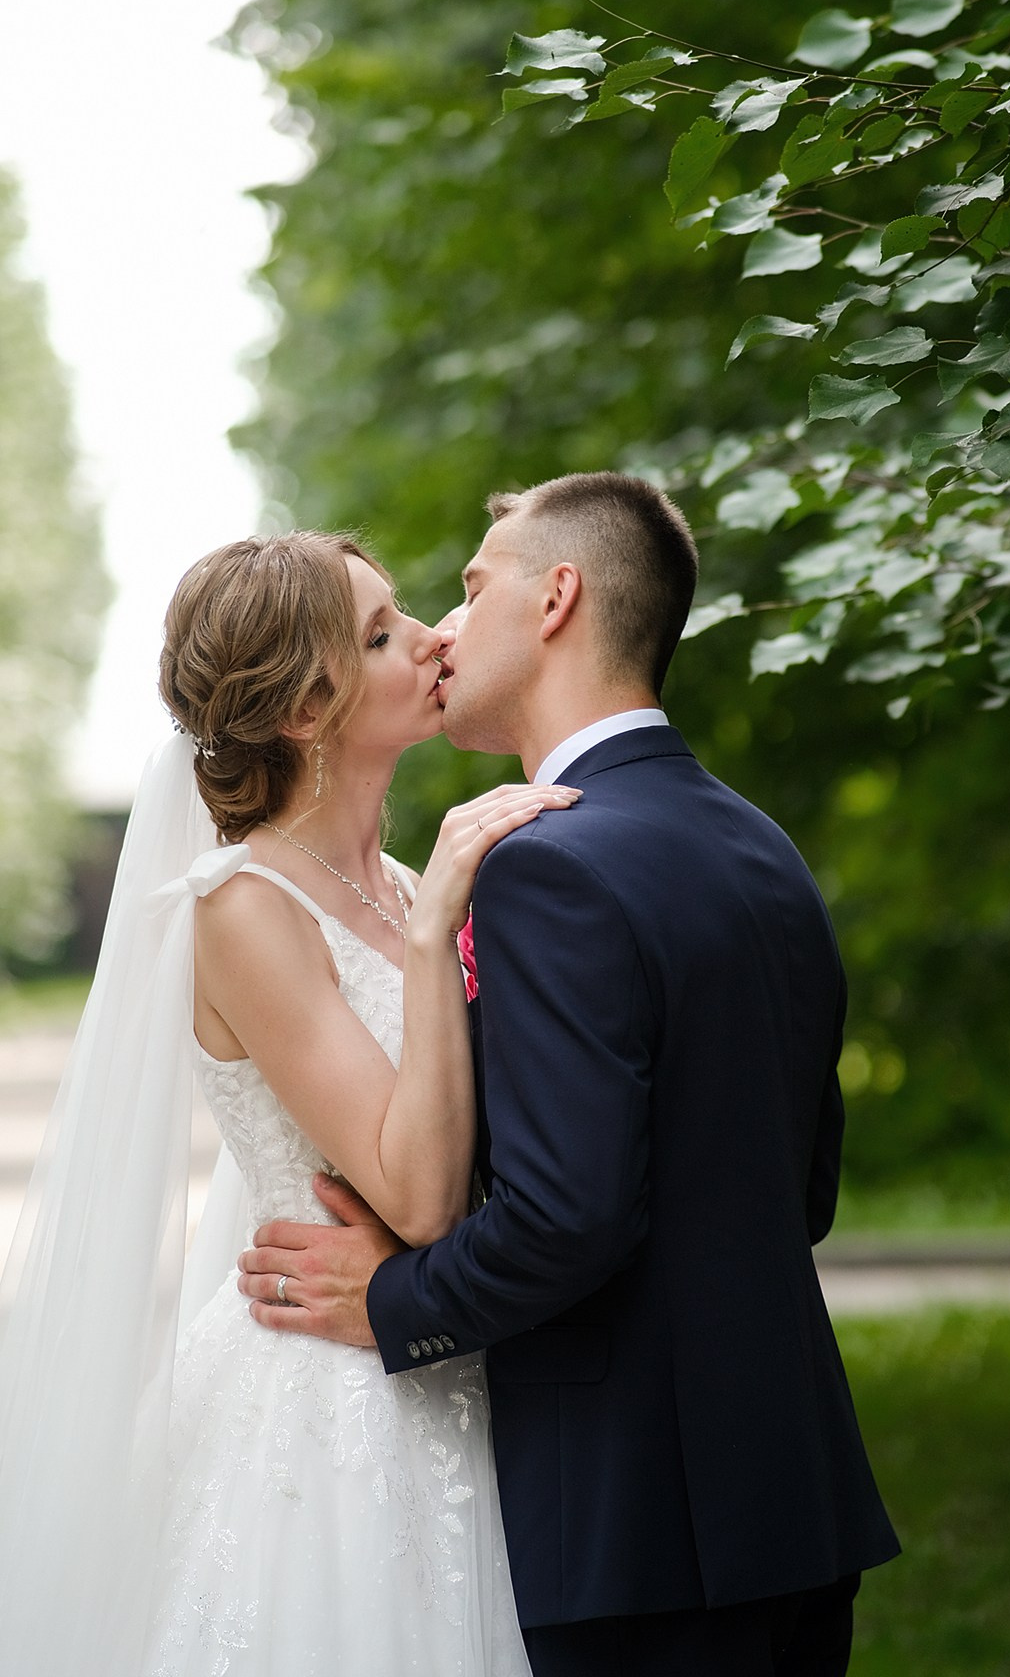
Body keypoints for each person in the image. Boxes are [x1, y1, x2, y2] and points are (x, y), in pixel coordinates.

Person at [240, 474, 901, 1677]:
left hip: (638, 1528)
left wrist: (388, 1302)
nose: (443, 626)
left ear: (556, 599)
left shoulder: (551, 866)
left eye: (471, 586)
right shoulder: (759, 844)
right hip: (794, 1500)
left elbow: (566, 1215)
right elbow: (800, 1193)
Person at [0, 529, 579, 1676]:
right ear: (307, 713)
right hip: (325, 1411)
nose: (429, 639)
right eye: (378, 635)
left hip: (450, 1363)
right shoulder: (241, 907)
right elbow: (416, 1196)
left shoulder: (408, 887)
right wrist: (432, 937)